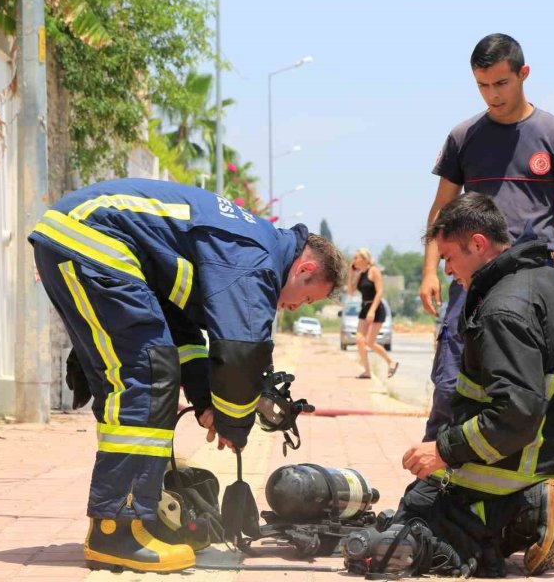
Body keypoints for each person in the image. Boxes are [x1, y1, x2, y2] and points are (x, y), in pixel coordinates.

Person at [27, 178, 344, 573]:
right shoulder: (255, 259)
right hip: (91, 240)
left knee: (152, 369)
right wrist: (234, 423)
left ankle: (131, 517)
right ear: (305, 268)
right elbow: (240, 353)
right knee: (147, 375)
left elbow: (181, 329)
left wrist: (204, 398)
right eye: (306, 298)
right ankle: (116, 530)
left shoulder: (245, 246)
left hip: (79, 237)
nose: (295, 307)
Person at [396, 193, 554, 576]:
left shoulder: (502, 308)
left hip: (513, 469)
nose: (446, 270)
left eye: (448, 257)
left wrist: (443, 450)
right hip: (552, 464)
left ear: (477, 244)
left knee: (414, 516)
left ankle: (528, 514)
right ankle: (542, 507)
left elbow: (515, 413)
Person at [418, 32, 554, 442]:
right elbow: (441, 207)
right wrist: (429, 269)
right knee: (451, 381)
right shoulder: (464, 136)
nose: (492, 95)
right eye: (482, 85)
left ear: (523, 73)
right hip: (471, 277)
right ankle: (436, 471)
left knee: (531, 382)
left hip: (535, 279)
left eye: (501, 83)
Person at [347, 248, 398, 379]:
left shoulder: (374, 271)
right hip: (364, 308)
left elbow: (380, 292)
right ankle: (367, 371)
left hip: (376, 308)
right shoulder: (360, 273)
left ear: (365, 259)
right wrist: (351, 274)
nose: (354, 260)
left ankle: (391, 362)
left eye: (356, 258)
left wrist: (372, 310)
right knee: (359, 340)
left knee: (370, 342)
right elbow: (350, 292)